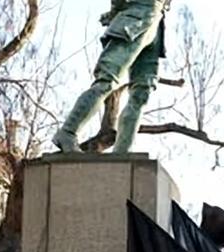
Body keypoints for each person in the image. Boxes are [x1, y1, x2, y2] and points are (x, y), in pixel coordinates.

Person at [52, 0, 169, 154]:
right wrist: (116, 11)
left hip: (156, 22)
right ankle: (67, 132)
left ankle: (123, 152)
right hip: (135, 18)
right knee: (107, 81)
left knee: (141, 93)